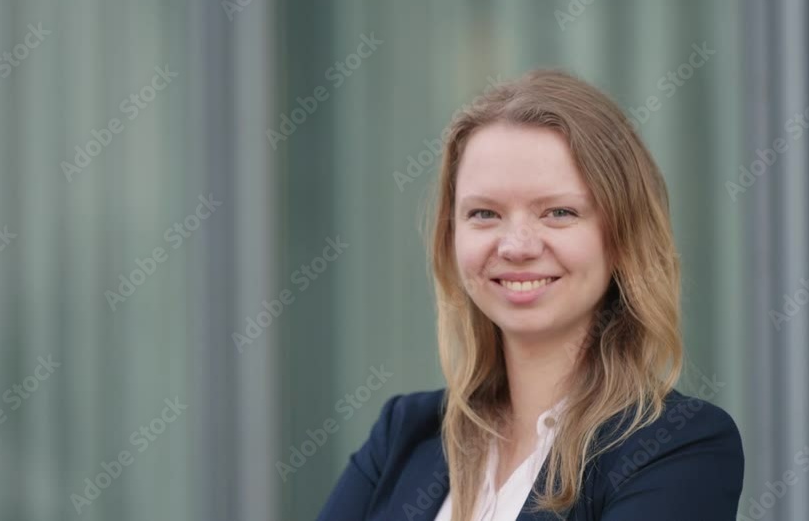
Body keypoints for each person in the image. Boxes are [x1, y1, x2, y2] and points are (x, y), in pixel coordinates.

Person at [316, 69, 744, 521]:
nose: (517, 246)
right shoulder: (404, 436)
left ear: (622, 237)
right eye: (485, 213)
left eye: (558, 212)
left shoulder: (678, 447)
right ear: (451, 238)